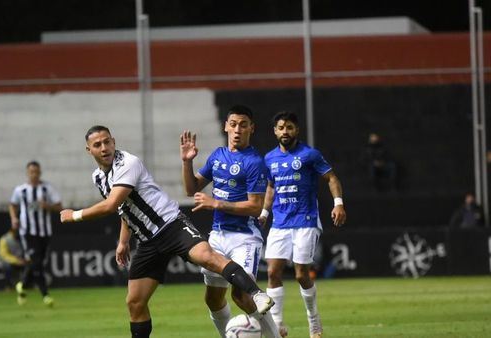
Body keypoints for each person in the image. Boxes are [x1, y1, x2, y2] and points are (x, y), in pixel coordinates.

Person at [60, 125, 274, 338]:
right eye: (98, 145)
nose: (104, 147)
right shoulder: (98, 177)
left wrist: (75, 215)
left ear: (114, 142)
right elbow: (122, 207)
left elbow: (110, 204)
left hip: (170, 224)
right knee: (135, 302)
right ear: (89, 150)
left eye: (107, 142)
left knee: (207, 257)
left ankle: (256, 294)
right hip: (147, 242)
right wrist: (123, 241)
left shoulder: (127, 163)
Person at [180, 105, 281, 338]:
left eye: (243, 125)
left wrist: (217, 204)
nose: (237, 129)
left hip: (244, 238)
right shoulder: (217, 155)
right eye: (233, 124)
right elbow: (190, 189)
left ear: (251, 128)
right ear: (226, 126)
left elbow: (255, 207)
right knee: (213, 298)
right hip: (218, 235)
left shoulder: (254, 162)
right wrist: (187, 162)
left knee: (241, 295)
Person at [258, 111, 346, 338]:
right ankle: (277, 324)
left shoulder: (309, 155)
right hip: (279, 222)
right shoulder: (269, 158)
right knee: (273, 272)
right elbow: (271, 187)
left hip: (305, 220)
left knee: (300, 274)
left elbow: (332, 178)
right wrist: (265, 212)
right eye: (281, 128)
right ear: (275, 131)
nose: (285, 131)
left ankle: (314, 320)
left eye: (289, 127)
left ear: (296, 130)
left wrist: (338, 204)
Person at [9, 161, 62, 306]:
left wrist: (48, 206)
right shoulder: (21, 190)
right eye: (31, 171)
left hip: (45, 232)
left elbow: (59, 206)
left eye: (36, 171)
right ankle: (46, 295)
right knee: (36, 262)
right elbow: (12, 204)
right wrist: (14, 218)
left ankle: (22, 284)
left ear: (40, 172)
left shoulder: (47, 189)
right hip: (28, 232)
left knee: (37, 263)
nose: (34, 174)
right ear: (27, 173)